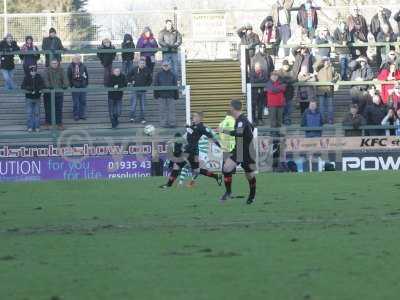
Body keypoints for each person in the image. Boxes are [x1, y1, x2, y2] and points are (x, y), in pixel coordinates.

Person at [160, 112, 222, 189]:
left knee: (177, 165)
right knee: (197, 170)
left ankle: (168, 185)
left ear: (200, 118)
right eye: (193, 116)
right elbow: (186, 137)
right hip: (192, 151)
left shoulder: (202, 127)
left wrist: (219, 146)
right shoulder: (192, 126)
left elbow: (211, 136)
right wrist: (174, 140)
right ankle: (216, 176)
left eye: (195, 116)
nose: (193, 117)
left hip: (190, 151)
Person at [219, 99, 256, 204]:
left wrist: (224, 131)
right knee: (226, 168)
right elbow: (251, 127)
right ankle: (228, 192)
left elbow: (239, 133)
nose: (229, 108)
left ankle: (252, 196)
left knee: (249, 175)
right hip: (239, 149)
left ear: (233, 108)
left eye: (230, 106)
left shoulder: (241, 120)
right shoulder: (240, 120)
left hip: (248, 151)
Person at [43, 59, 69, 130]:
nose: (54, 64)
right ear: (50, 64)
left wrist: (65, 85)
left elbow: (65, 79)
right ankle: (48, 123)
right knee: (48, 108)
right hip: (49, 93)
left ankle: (59, 123)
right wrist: (49, 86)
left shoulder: (61, 70)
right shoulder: (47, 70)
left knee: (58, 108)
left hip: (58, 92)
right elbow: (45, 79)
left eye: (55, 63)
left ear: (58, 63)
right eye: (53, 63)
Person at [314, 57, 340, 124]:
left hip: (329, 89)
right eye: (325, 61)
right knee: (321, 107)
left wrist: (334, 80)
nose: (326, 62)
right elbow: (315, 66)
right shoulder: (319, 68)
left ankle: (330, 120)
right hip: (321, 89)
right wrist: (321, 59)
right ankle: (322, 120)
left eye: (327, 60)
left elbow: (337, 76)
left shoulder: (332, 68)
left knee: (330, 107)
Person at [154, 60, 179, 128]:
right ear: (162, 66)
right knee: (162, 110)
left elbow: (175, 84)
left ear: (169, 66)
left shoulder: (173, 74)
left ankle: (172, 123)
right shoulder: (158, 74)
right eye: (164, 65)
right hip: (161, 96)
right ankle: (163, 123)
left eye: (167, 65)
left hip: (171, 95)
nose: (165, 66)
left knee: (172, 110)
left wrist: (176, 95)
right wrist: (156, 95)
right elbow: (155, 84)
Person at [127, 57, 152, 124]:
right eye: (141, 63)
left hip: (143, 91)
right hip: (135, 90)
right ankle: (132, 117)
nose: (142, 64)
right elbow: (128, 76)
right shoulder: (134, 69)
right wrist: (131, 81)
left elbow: (150, 80)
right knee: (133, 105)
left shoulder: (147, 70)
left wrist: (147, 86)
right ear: (138, 63)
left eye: (143, 63)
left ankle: (142, 118)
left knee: (143, 106)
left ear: (145, 64)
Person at [21, 66, 45, 132]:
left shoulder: (39, 76)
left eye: (34, 71)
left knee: (37, 113)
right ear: (30, 71)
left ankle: (37, 127)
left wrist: (37, 89)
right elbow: (22, 86)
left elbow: (43, 85)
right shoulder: (26, 77)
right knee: (29, 113)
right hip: (29, 98)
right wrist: (30, 89)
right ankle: (30, 127)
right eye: (32, 71)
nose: (33, 72)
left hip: (37, 98)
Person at [292, 46, 316, 113]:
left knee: (308, 96)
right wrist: (299, 46)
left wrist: (311, 74)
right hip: (300, 77)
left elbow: (315, 64)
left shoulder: (311, 57)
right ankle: (302, 113)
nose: (303, 50)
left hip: (308, 76)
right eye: (302, 49)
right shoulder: (298, 56)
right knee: (301, 96)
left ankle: (307, 114)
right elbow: (293, 50)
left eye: (305, 49)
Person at [67, 54, 89, 121]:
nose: (77, 60)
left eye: (78, 58)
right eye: (76, 58)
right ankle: (76, 115)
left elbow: (86, 75)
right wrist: (71, 85)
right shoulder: (70, 66)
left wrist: (86, 83)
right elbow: (68, 76)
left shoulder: (83, 65)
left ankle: (82, 115)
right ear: (73, 59)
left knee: (83, 101)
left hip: (82, 86)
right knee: (76, 102)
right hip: (75, 86)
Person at [277, 60, 295, 125]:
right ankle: (282, 120)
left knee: (289, 108)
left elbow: (294, 79)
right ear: (282, 66)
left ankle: (287, 120)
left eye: (287, 65)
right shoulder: (279, 72)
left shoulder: (291, 71)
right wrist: (288, 81)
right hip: (281, 94)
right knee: (282, 108)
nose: (286, 67)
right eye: (285, 65)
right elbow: (279, 80)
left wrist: (285, 81)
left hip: (290, 93)